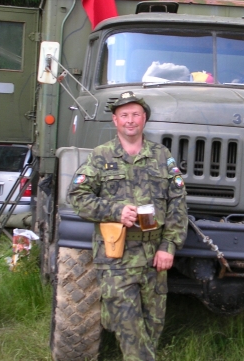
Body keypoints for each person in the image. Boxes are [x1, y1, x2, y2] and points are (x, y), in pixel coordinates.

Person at [68, 91, 188, 361]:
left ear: (144, 119)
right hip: (116, 258)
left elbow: (177, 202)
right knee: (129, 329)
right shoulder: (101, 156)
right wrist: (115, 211)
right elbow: (77, 197)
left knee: (152, 327)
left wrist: (169, 245)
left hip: (154, 258)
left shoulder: (161, 156)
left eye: (135, 114)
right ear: (115, 120)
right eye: (124, 115)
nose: (130, 120)